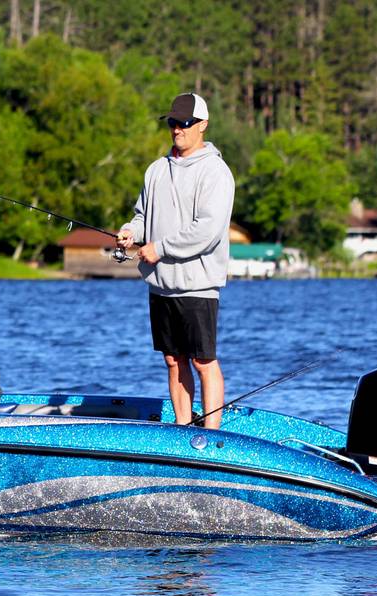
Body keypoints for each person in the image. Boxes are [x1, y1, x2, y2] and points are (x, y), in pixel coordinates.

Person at [116, 93, 235, 429]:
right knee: (172, 359)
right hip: (161, 284)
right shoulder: (156, 170)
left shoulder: (216, 172)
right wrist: (130, 232)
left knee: (203, 360)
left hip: (198, 284)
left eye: (185, 123)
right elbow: (142, 216)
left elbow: (208, 231)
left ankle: (210, 435)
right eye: (172, 122)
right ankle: (183, 427)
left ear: (203, 125)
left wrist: (160, 248)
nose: (177, 129)